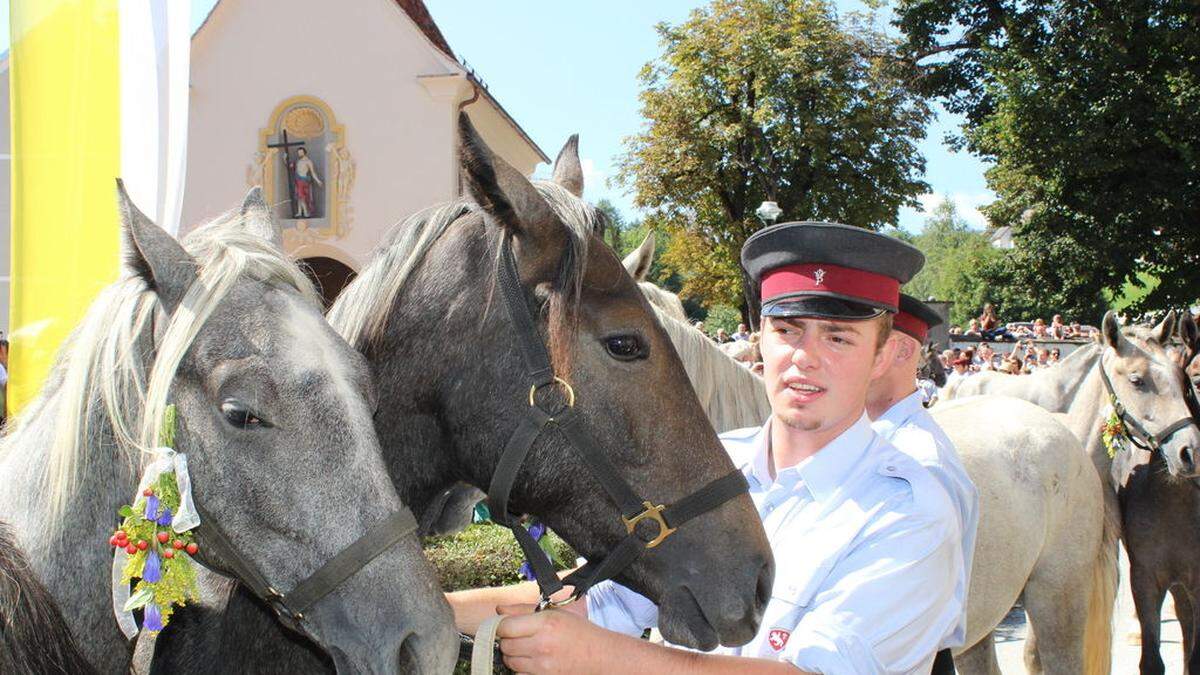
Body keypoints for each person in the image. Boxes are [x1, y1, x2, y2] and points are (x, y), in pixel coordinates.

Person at [448, 222, 964, 673]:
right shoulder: (716, 465)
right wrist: (426, 605)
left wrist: (605, 660)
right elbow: (602, 605)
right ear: (760, 337)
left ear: (881, 357)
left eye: (838, 338)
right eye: (787, 330)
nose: (804, 358)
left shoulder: (910, 510)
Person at [869, 294, 979, 675]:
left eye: (847, 339)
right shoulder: (869, 441)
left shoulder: (919, 461)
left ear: (898, 352)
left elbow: (905, 615)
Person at [291, 147, 323, 218]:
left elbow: (313, 172)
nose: (299, 153)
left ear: (304, 152)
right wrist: (285, 160)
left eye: (301, 152)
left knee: (301, 197)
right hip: (298, 180)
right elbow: (291, 167)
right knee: (299, 197)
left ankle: (305, 212)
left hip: (304, 181)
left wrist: (318, 181)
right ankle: (299, 212)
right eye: (298, 152)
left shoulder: (308, 161)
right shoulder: (298, 161)